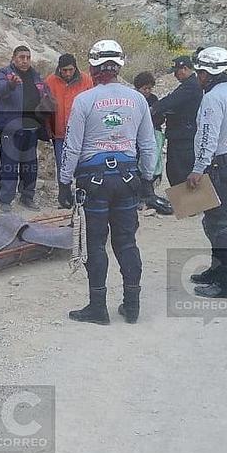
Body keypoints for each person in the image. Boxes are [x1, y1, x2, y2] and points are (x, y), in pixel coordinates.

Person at [59, 40, 156, 325]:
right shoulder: (137, 99)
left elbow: (72, 147)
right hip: (127, 178)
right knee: (126, 242)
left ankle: (98, 308)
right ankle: (132, 305)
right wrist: (148, 179)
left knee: (96, 243)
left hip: (94, 180)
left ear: (92, 67)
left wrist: (64, 182)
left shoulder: (84, 101)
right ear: (119, 67)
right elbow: (148, 144)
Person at [185, 47, 227, 299]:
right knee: (214, 221)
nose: (198, 77)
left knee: (219, 224)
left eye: (200, 72)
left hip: (217, 167)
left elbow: (206, 136)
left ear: (206, 73)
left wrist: (198, 168)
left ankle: (225, 283)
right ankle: (217, 271)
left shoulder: (212, 98)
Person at [0, 45, 52, 213]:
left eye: (27, 57)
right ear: (14, 58)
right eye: (21, 57)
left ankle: (27, 197)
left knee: (30, 164)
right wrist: (11, 85)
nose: (25, 60)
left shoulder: (35, 76)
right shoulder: (4, 73)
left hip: (31, 127)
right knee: (9, 164)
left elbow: (44, 93)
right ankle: (5, 200)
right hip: (10, 127)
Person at [45, 53, 93, 209]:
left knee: (83, 165)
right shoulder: (50, 81)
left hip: (82, 132)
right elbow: (44, 107)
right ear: (59, 68)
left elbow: (92, 105)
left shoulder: (86, 80)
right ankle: (64, 197)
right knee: (62, 165)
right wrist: (47, 128)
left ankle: (82, 196)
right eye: (64, 70)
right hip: (59, 132)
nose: (67, 73)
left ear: (75, 68)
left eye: (70, 70)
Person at [152, 55, 202, 186]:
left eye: (176, 71)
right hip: (180, 136)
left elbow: (170, 101)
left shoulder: (191, 86)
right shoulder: (187, 85)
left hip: (184, 138)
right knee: (175, 172)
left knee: (179, 174)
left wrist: (153, 109)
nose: (175, 75)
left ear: (184, 69)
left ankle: (186, 205)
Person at [133, 71, 165, 188]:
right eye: (144, 89)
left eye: (149, 89)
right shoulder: (133, 99)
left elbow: (160, 117)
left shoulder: (153, 99)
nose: (147, 91)